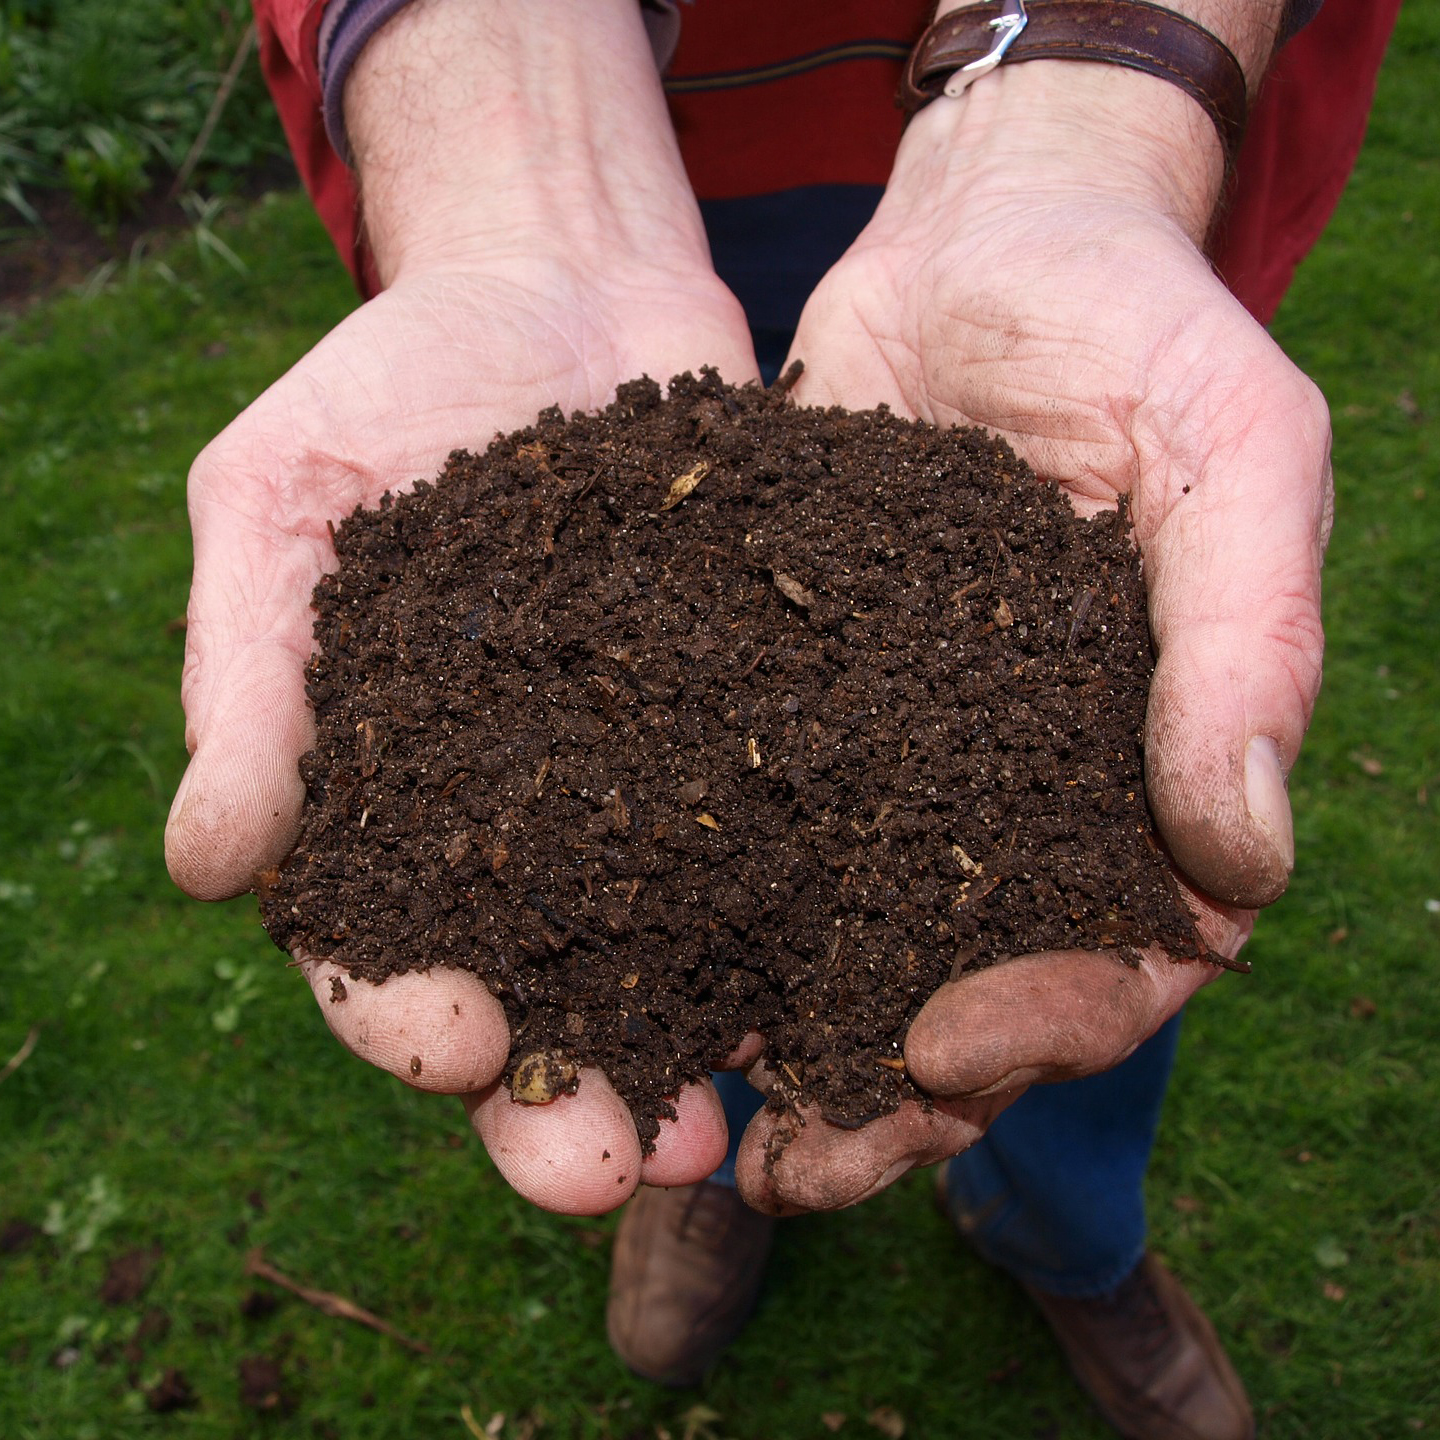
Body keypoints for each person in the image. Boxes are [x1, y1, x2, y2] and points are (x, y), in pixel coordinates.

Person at [164, 2, 1400, 1435]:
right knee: (730, 960)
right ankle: (717, 1159)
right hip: (644, 123)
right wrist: (518, 156)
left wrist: (1086, 112)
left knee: (1092, 886)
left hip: (1109, 130)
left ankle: (1067, 1236)